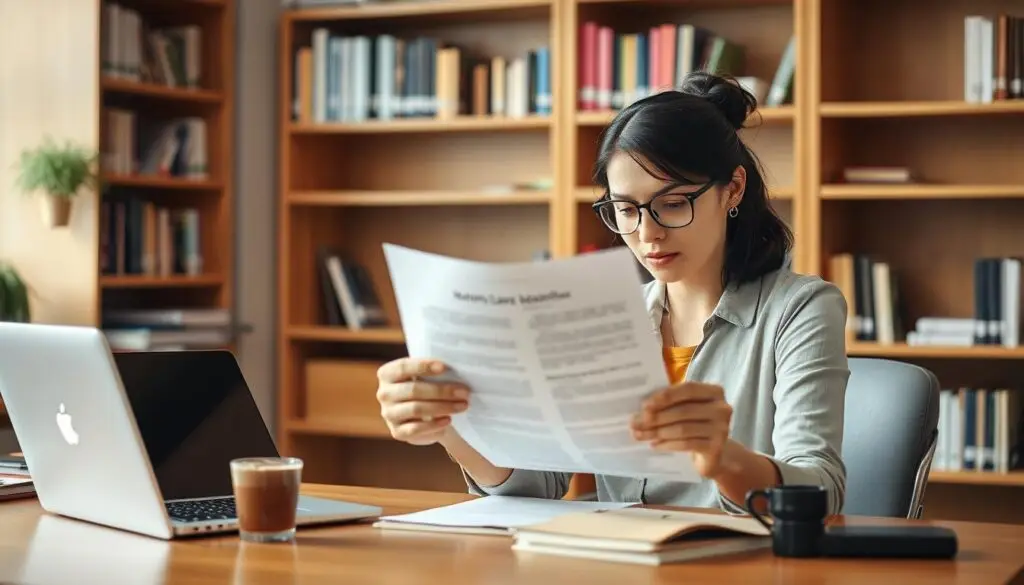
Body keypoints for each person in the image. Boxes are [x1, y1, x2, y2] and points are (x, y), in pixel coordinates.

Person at [374, 71, 850, 516]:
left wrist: (722, 458)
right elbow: (538, 486)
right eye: (625, 209)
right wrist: (449, 426)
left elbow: (819, 491)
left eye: (672, 203)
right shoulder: (607, 317)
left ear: (732, 190)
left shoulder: (801, 310)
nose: (647, 234)